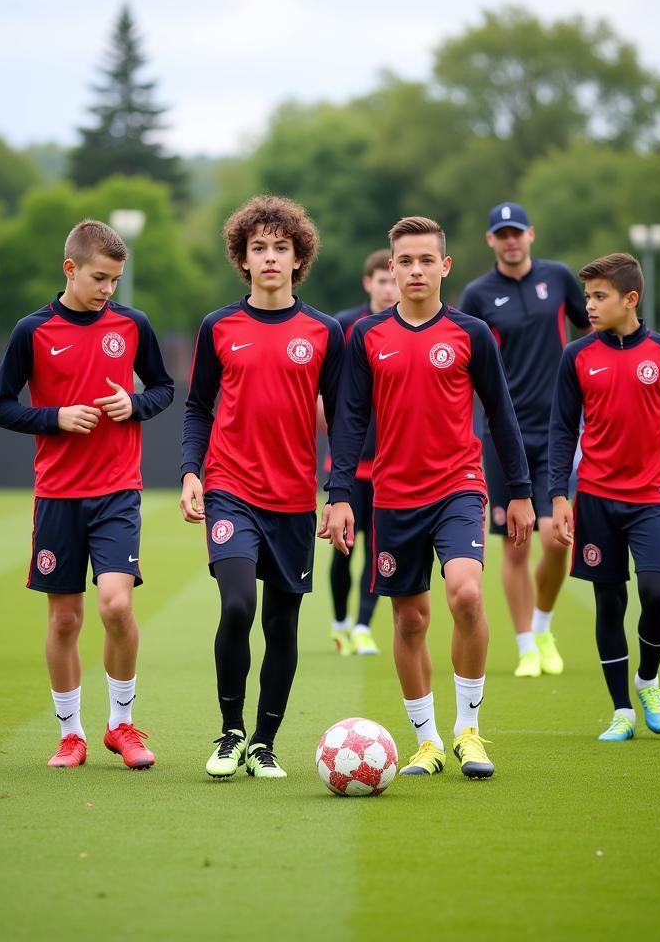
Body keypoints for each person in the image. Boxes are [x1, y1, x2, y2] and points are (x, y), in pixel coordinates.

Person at [326, 216, 534, 780]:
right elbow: (348, 422)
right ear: (390, 269)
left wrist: (520, 491)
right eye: (405, 261)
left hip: (459, 487)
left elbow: (502, 414)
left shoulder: (471, 333)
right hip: (393, 496)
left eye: (425, 261)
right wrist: (340, 495)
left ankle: (469, 731)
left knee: (465, 594)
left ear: (444, 266)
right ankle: (427, 741)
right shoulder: (367, 338)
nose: (415, 270)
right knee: (411, 621)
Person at [0, 219, 174, 769]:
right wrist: (54, 417)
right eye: (100, 278)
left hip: (118, 490)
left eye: (116, 280)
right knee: (65, 619)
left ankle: (122, 725)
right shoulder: (31, 331)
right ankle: (71, 733)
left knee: (116, 605)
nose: (109, 290)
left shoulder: (133, 324)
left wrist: (134, 405)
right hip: (58, 495)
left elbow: (163, 388)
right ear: (70, 269)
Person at [181, 195, 344, 780]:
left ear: (299, 259)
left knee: (282, 624)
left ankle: (263, 742)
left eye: (282, 248)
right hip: (231, 488)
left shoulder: (324, 332)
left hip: (295, 499)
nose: (270, 258)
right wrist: (191, 471)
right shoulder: (218, 326)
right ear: (242, 259)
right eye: (259, 249)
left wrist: (341, 493)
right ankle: (229, 732)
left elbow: (345, 420)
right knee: (237, 605)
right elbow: (198, 408)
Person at [548, 252, 660, 742]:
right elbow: (561, 432)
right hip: (594, 497)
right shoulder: (576, 357)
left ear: (630, 299)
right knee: (609, 602)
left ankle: (648, 679)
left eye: (600, 297)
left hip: (652, 497)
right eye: (588, 296)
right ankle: (622, 710)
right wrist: (557, 496)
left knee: (656, 593)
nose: (589, 306)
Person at [459, 202, 589, 678]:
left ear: (531, 234)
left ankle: (543, 625)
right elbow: (461, 358)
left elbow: (590, 326)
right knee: (516, 543)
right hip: (502, 434)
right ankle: (526, 646)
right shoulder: (477, 294)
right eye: (502, 234)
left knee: (557, 538)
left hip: (556, 428)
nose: (511, 240)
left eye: (518, 232)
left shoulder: (556, 278)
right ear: (490, 240)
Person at [326, 250, 398, 658]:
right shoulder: (345, 326)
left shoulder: (405, 327)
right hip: (349, 465)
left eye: (393, 280)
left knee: (377, 547)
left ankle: (363, 625)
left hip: (389, 465)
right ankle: (339, 623)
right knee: (344, 547)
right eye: (382, 280)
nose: (389, 288)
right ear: (369, 282)